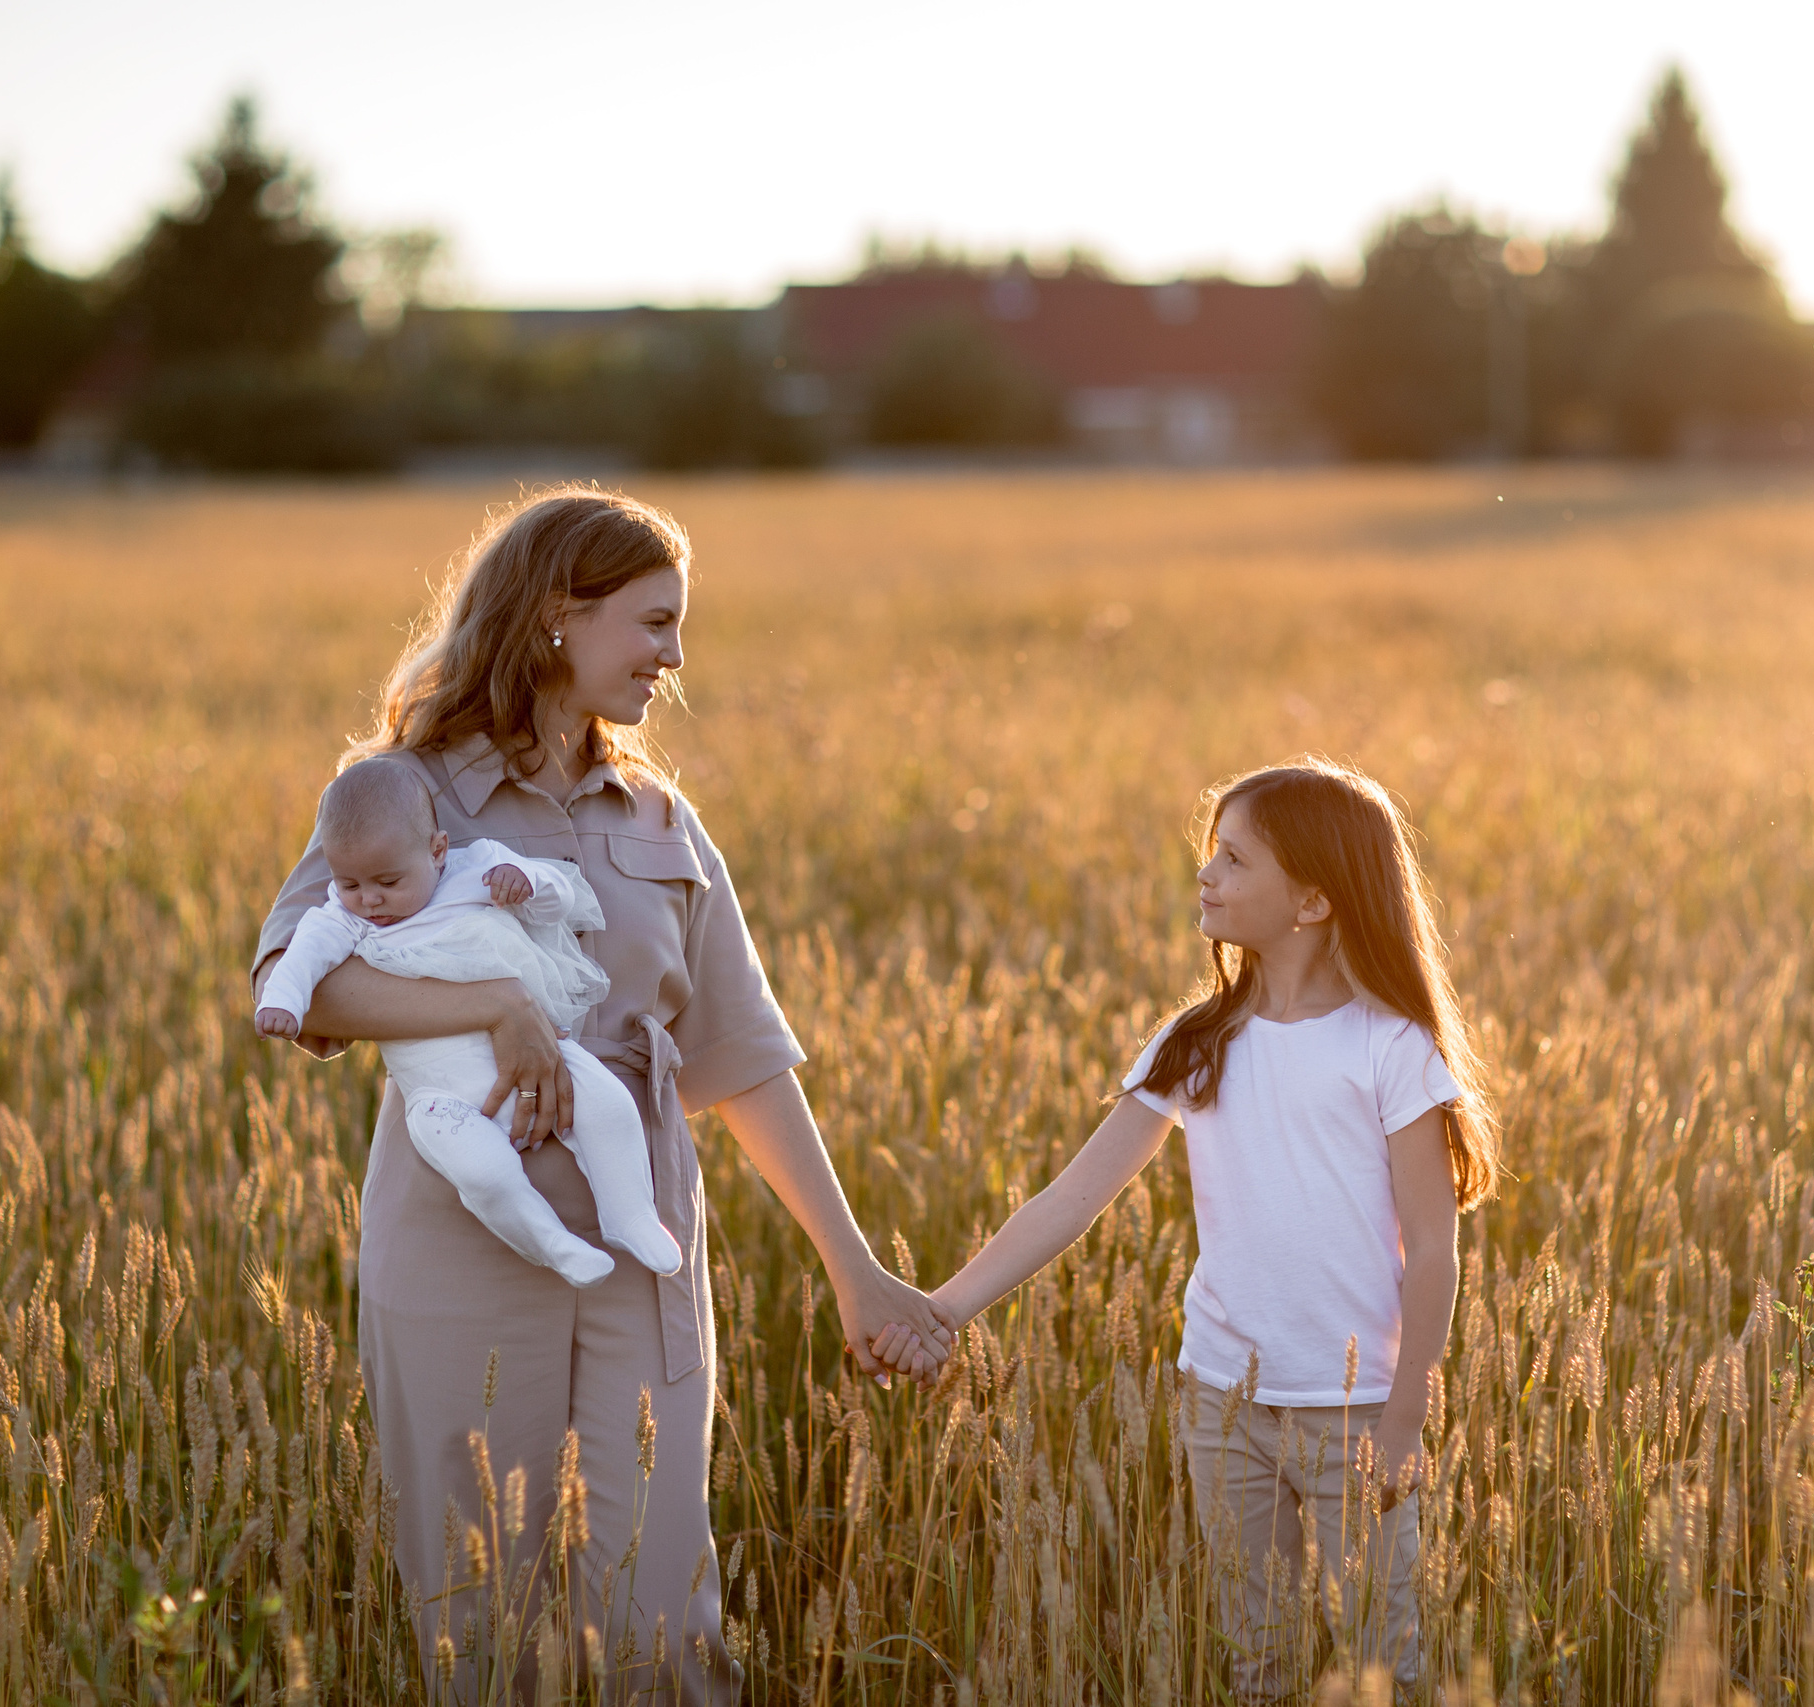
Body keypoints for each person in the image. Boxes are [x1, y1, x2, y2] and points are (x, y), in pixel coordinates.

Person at [252, 486, 952, 1704]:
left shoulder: (665, 821)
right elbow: (296, 983)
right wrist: (490, 1008)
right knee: (485, 1609)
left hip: (644, 1239)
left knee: (661, 1608)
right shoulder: (408, 791)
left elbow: (742, 1058)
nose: (675, 658)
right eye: (654, 623)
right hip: (464, 1226)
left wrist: (856, 1269)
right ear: (556, 621)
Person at [876, 759, 1498, 1699]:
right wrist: (943, 1307)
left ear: (1315, 901)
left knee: (1384, 1664)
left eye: (1235, 859)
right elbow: (1071, 1198)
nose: (1206, 874)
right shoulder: (1194, 1043)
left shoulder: (1389, 1046)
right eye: (1212, 853)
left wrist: (1407, 1420)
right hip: (1222, 1402)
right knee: (1259, 1662)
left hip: (1358, 1414)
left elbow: (1434, 1243)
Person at [255, 757, 681, 1287]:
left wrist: (524, 879)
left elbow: (561, 893)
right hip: (441, 1096)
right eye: (349, 883)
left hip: (544, 1048)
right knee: (483, 1175)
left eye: (388, 881)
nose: (369, 900)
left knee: (611, 1109)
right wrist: (284, 1002)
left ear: (437, 851)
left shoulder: (475, 869)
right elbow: (302, 958)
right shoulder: (344, 919)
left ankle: (631, 1214)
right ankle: (552, 1245)